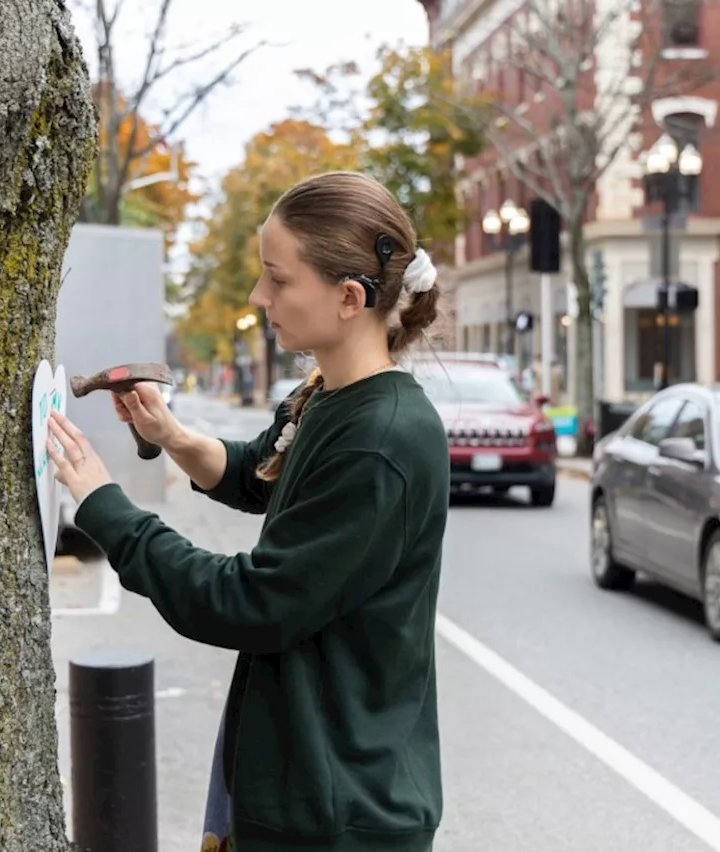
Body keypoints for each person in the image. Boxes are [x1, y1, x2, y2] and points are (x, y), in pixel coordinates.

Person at [46, 171, 450, 852]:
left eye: (278, 279)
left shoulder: (382, 441)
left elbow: (252, 603)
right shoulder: (329, 396)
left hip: (337, 815)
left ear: (349, 297)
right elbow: (261, 472)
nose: (261, 297)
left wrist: (105, 508)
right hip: (302, 784)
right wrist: (169, 434)